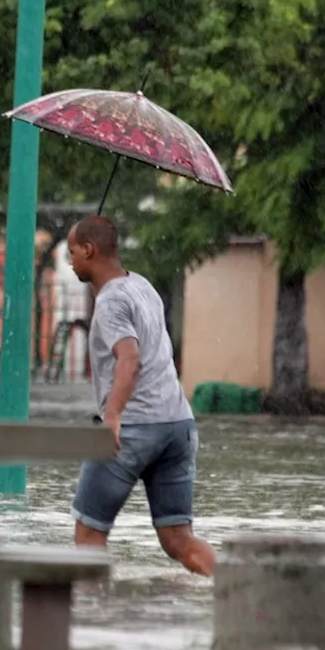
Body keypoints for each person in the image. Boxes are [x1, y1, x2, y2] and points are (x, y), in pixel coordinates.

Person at [66, 216, 216, 576]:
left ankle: (94, 626)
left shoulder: (110, 303)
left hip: (133, 428)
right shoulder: (143, 287)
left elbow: (129, 359)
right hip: (178, 425)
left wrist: (112, 418)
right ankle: (241, 590)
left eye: (72, 253)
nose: (70, 262)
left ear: (89, 250)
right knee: (179, 539)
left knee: (88, 536)